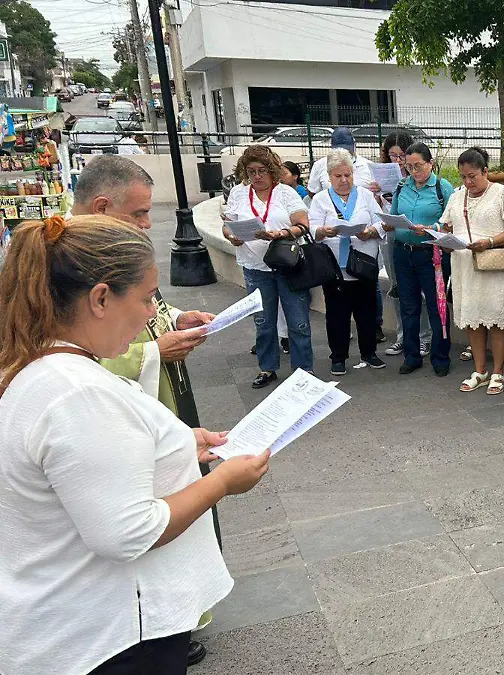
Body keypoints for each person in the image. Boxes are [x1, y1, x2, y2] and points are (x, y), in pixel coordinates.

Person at [0, 215, 270, 675]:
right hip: (112, 635)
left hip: (76, 621)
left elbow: (81, 465)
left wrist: (183, 443)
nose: (152, 314)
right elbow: (130, 533)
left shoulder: (41, 364)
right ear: (101, 298)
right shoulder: (78, 392)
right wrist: (223, 481)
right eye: (146, 299)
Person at [72, 155, 217, 666]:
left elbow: (147, 307)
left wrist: (176, 317)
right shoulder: (70, 266)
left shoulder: (109, 254)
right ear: (102, 205)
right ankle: (162, 624)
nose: (144, 224)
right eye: (138, 214)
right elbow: (88, 357)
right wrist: (155, 349)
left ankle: (179, 616)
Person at [222, 145, 313, 388]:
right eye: (251, 171)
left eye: (262, 170)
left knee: (298, 321)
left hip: (287, 264)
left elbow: (303, 225)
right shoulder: (238, 194)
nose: (257, 176)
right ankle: (267, 367)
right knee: (263, 322)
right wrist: (232, 236)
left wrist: (282, 233)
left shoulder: (285, 193)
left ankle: (303, 370)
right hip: (254, 266)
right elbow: (228, 225)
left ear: (272, 170)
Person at [439, 147, 504, 395]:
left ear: (485, 171)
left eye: (473, 176)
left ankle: (498, 371)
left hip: (495, 267)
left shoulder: (501, 194)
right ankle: (480, 370)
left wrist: (489, 241)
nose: (468, 182)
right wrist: (441, 240)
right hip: (465, 267)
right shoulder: (457, 197)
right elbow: (447, 227)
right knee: (473, 320)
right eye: (463, 177)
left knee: (497, 320)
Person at [309, 148, 387, 376]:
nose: (344, 180)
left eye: (347, 175)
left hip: (363, 263)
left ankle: (369, 353)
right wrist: (323, 231)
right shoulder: (322, 199)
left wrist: (371, 230)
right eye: (338, 176)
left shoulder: (364, 195)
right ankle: (338, 357)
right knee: (337, 313)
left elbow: (381, 222)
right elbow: (312, 228)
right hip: (334, 267)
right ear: (329, 177)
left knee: (367, 310)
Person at [382, 141, 454, 377]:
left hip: (430, 253)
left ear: (430, 163)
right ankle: (412, 356)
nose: (414, 172)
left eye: (419, 166)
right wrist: (388, 223)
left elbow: (449, 223)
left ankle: (440, 356)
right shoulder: (402, 186)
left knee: (437, 307)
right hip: (403, 252)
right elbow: (393, 215)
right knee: (408, 306)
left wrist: (432, 227)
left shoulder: (442, 188)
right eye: (410, 167)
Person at [378, 132, 431, 358]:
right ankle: (403, 336)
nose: (398, 162)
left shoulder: (432, 183)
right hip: (396, 237)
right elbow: (386, 213)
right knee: (398, 288)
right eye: (392, 156)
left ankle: (424, 337)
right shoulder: (393, 182)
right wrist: (377, 195)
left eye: (402, 157)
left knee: (423, 292)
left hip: (423, 242)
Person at [305, 127, 374, 194]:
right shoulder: (320, 165)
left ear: (354, 145)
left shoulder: (369, 166)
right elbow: (312, 191)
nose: (343, 153)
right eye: (339, 149)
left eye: (347, 149)